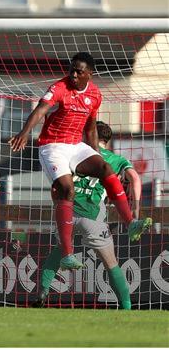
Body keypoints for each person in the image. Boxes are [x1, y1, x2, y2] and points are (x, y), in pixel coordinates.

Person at [8, 52, 152, 270]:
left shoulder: (95, 94)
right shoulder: (59, 88)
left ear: (89, 74)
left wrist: (96, 153)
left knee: (106, 168)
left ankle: (131, 223)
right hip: (52, 146)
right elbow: (40, 110)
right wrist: (25, 132)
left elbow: (91, 127)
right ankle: (67, 254)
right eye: (71, 70)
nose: (73, 75)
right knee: (67, 190)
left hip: (75, 145)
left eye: (79, 71)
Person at [33, 121, 142, 310]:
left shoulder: (74, 154)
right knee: (111, 263)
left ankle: (42, 292)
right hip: (93, 216)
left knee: (59, 252)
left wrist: (58, 206)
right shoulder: (115, 160)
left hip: (67, 213)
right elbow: (134, 177)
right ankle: (126, 306)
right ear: (107, 142)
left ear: (87, 136)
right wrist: (136, 210)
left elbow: (55, 186)